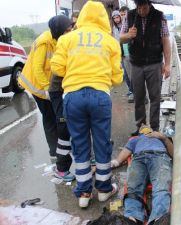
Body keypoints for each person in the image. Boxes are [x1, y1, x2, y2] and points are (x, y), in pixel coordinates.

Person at [51, 1, 123, 208]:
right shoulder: (110, 42)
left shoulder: (67, 39)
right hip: (100, 95)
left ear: (81, 17)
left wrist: (75, 73)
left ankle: (83, 193)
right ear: (104, 18)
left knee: (80, 143)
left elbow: (56, 67)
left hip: (73, 96)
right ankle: (103, 189)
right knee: (102, 141)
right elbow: (118, 78)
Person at [18, 15, 73, 158]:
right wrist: (47, 90)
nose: (69, 33)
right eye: (67, 30)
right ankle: (54, 152)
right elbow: (37, 69)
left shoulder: (58, 39)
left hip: (48, 85)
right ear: (59, 29)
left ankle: (62, 146)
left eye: (70, 30)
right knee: (49, 117)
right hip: (37, 85)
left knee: (58, 116)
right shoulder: (44, 41)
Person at [120, 0, 171, 135]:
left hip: (154, 63)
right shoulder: (130, 16)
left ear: (149, 4)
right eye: (139, 8)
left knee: (155, 97)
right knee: (139, 97)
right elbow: (121, 38)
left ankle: (154, 127)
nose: (141, 11)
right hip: (136, 63)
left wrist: (167, 65)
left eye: (144, 8)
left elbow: (166, 41)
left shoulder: (160, 17)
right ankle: (141, 126)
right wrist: (128, 35)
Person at [111, 125, 173, 225]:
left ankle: (158, 219)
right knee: (133, 189)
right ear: (140, 132)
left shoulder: (160, 138)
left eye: (147, 126)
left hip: (159, 156)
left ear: (152, 130)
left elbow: (173, 153)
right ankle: (132, 219)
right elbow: (126, 151)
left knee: (161, 188)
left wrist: (164, 138)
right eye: (142, 126)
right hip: (139, 158)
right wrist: (116, 162)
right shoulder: (136, 140)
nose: (145, 126)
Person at [112, 9, 134, 103]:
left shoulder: (126, 25)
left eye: (118, 17)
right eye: (115, 18)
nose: (117, 19)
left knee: (131, 72)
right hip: (119, 51)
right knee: (125, 74)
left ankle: (134, 91)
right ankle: (131, 90)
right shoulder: (114, 28)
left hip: (126, 49)